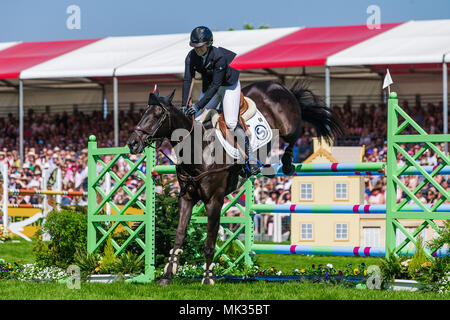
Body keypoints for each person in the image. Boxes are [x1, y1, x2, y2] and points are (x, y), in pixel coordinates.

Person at [180, 26, 260, 177]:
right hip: (211, 88)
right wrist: (184, 105)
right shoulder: (191, 57)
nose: (197, 50)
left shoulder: (218, 57)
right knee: (196, 120)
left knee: (230, 123)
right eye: (195, 47)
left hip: (228, 87)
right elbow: (187, 80)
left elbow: (216, 86)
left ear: (209, 43)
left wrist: (198, 105)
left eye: (200, 47)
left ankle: (251, 158)